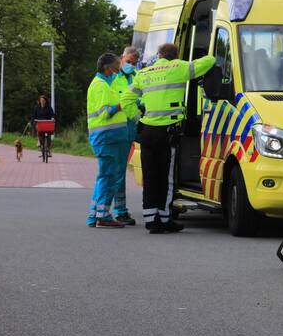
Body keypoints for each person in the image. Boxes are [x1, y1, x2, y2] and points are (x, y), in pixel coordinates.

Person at [123, 43, 215, 234]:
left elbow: (125, 99)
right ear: (175, 55)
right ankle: (164, 219)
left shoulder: (144, 73)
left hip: (147, 132)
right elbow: (209, 61)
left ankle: (150, 219)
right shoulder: (178, 67)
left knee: (150, 176)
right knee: (167, 178)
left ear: (159, 55)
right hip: (167, 133)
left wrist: (138, 119)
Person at [86, 53, 131, 228]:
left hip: (107, 137)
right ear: (107, 68)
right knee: (108, 177)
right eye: (116, 67)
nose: (118, 71)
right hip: (106, 138)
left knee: (104, 176)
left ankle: (94, 214)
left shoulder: (103, 84)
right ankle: (103, 216)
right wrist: (123, 104)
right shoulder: (101, 86)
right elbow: (105, 112)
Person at [110, 46, 141, 225]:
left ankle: (117, 210)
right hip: (118, 128)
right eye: (128, 62)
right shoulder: (113, 78)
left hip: (132, 127)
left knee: (121, 170)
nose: (131, 65)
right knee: (118, 172)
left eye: (134, 63)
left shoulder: (137, 76)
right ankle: (120, 211)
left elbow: (142, 97)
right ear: (122, 58)